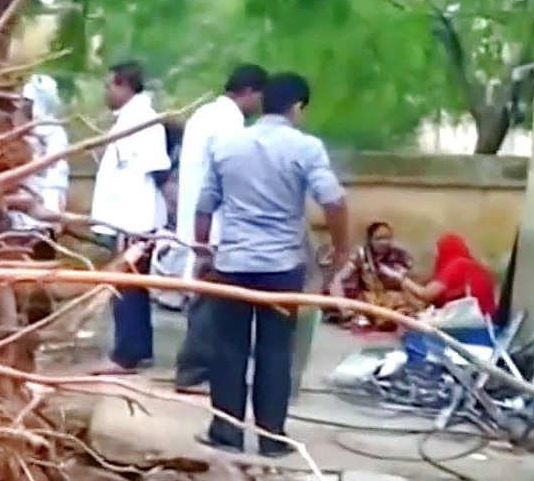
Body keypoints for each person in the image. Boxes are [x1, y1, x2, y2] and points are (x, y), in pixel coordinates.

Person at [194, 72, 350, 457]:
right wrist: (341, 249)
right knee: (275, 351)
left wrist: (203, 253)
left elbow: (205, 205)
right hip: (281, 269)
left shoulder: (227, 145)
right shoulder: (306, 148)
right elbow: (333, 200)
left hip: (232, 265)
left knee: (228, 350)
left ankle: (227, 432)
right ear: (297, 107)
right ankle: (272, 438)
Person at [173, 64, 268, 392]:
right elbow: (232, 173)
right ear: (250, 92)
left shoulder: (204, 115)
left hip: (199, 219)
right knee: (210, 301)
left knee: (206, 299)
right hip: (214, 223)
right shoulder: (229, 124)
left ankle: (200, 368)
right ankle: (194, 370)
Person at [89, 61, 171, 374]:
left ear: (124, 85)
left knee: (125, 287)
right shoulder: (127, 119)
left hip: (135, 219)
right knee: (132, 287)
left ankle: (125, 355)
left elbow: (158, 170)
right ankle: (139, 348)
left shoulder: (144, 121)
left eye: (109, 86)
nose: (106, 92)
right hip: (124, 217)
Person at [8, 74, 70, 239]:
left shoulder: (55, 133)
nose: (23, 105)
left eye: (28, 101)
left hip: (45, 198)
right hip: (22, 200)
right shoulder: (22, 126)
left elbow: (50, 170)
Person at [325, 221, 420, 328]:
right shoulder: (362, 255)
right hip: (369, 301)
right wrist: (344, 309)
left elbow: (411, 283)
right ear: (370, 240)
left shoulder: (400, 255)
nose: (384, 242)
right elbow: (339, 278)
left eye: (387, 237)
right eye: (379, 238)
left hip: (394, 301)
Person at [379, 233, 497, 318]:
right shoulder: (476, 266)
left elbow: (426, 294)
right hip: (487, 320)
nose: (436, 257)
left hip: (471, 320)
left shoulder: (457, 265)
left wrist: (401, 279)